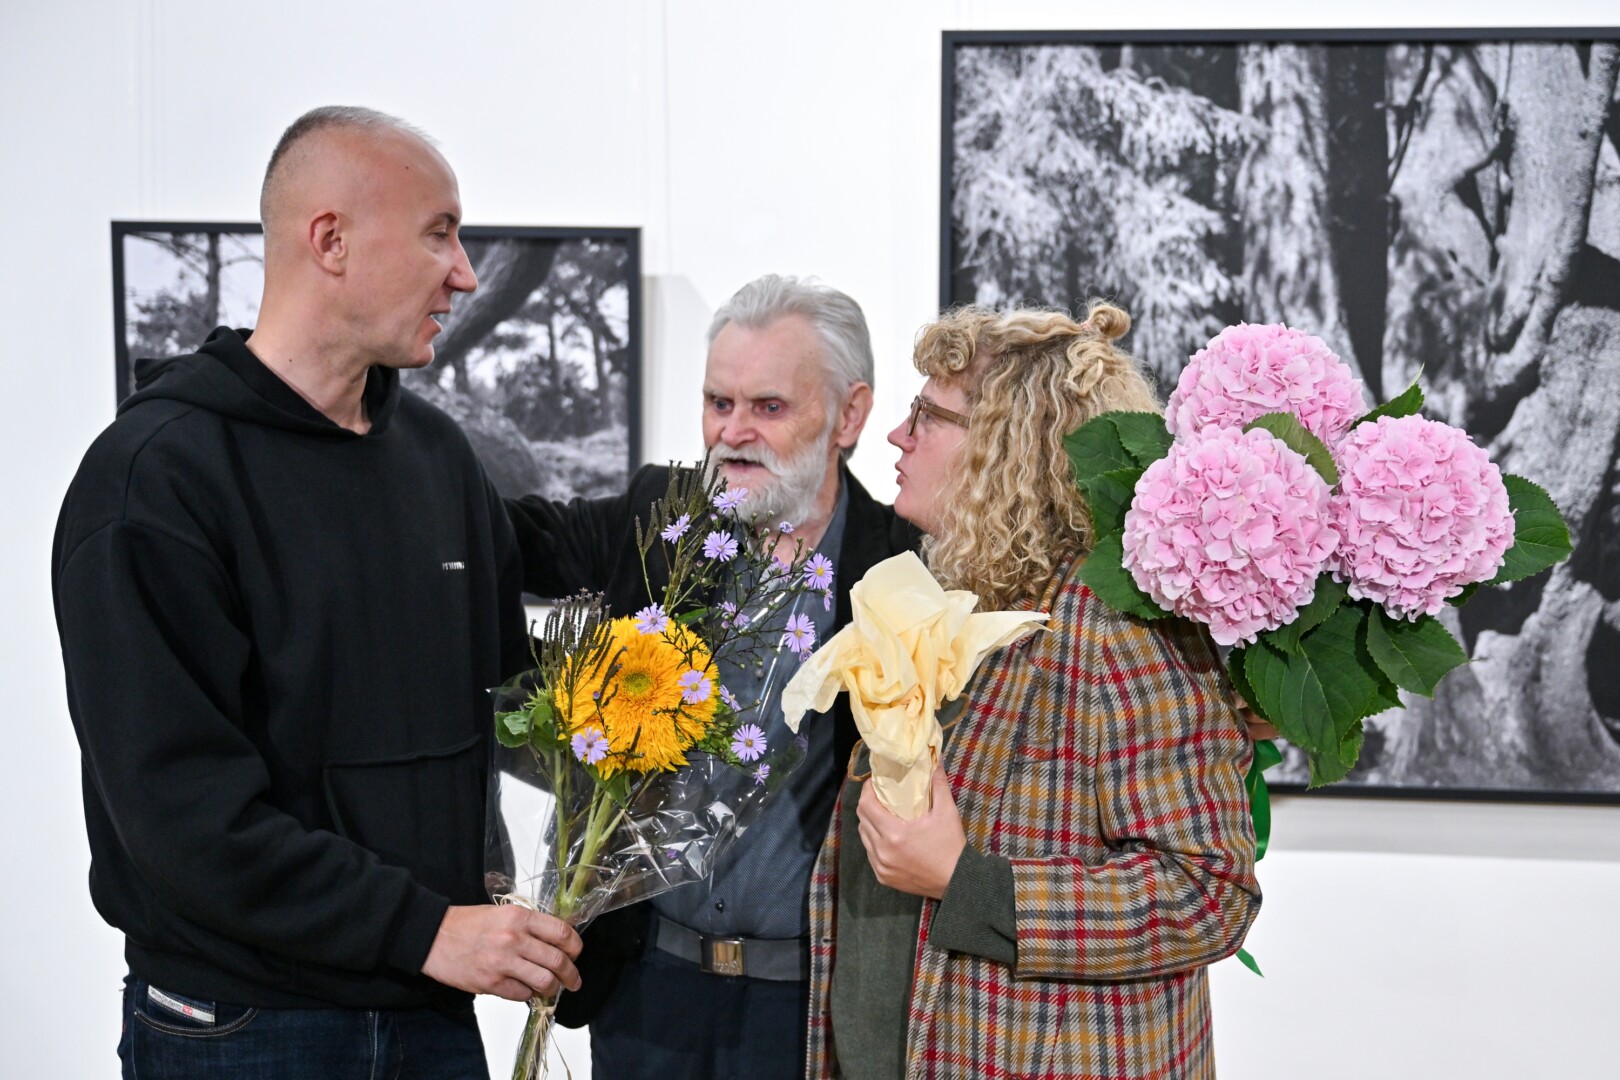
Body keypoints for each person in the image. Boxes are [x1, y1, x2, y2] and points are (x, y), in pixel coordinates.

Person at [53, 106, 581, 1079]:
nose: (465, 273)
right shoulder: (153, 482)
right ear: (330, 241)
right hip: (242, 1025)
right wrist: (426, 929)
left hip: (430, 1011)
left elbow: (509, 702)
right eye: (439, 234)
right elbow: (182, 816)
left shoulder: (439, 459)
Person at [807, 303, 1261, 1078]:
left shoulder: (1113, 627)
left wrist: (969, 883)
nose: (898, 435)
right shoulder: (976, 600)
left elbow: (1209, 892)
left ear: (1010, 446)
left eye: (929, 415)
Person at [505, 274, 919, 1079]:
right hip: (644, 993)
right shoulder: (664, 519)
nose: (732, 433)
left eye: (769, 407)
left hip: (809, 1010)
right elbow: (513, 539)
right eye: (717, 403)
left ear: (850, 415)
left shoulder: (903, 564)